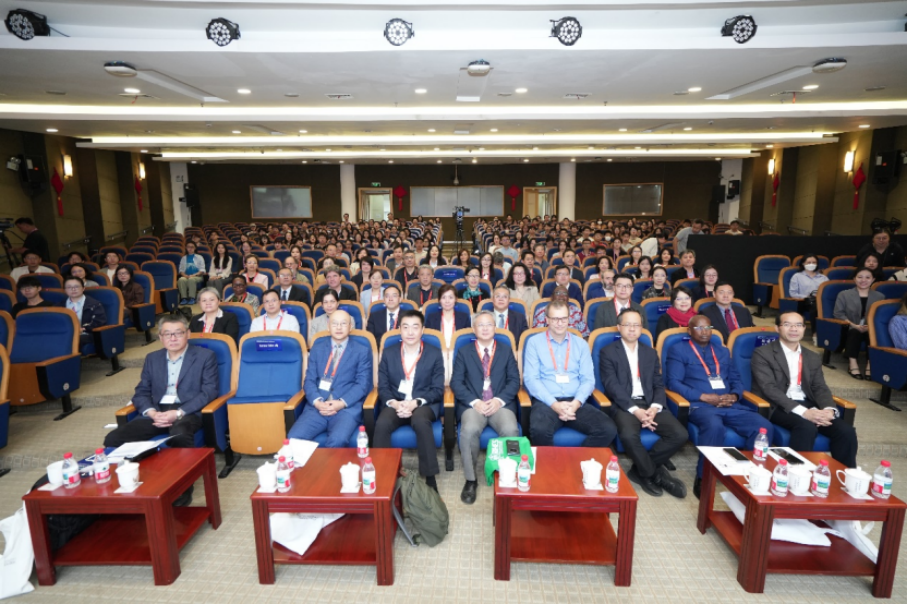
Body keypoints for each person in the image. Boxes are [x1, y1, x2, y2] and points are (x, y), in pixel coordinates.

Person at [103, 313, 219, 503]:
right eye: (167, 334)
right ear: (160, 337)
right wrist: (152, 413)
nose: (173, 338)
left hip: (187, 410)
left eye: (178, 333)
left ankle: (183, 490)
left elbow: (209, 392)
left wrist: (178, 413)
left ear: (188, 334)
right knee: (113, 439)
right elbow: (141, 392)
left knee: (179, 435)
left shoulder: (205, 356)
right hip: (156, 410)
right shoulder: (152, 358)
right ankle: (133, 484)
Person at [665, 314, 773, 499]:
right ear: (689, 331)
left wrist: (734, 395)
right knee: (715, 427)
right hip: (701, 406)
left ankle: (749, 475)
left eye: (708, 327)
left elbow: (736, 379)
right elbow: (674, 382)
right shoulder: (679, 350)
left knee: (764, 427)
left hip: (730, 405)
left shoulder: (722, 351)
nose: (704, 331)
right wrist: (703, 397)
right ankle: (704, 477)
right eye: (699, 328)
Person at [751, 312, 858, 469]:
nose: (794, 329)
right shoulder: (763, 353)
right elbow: (769, 388)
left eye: (798, 325)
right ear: (777, 328)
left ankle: (844, 475)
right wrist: (805, 413)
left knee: (846, 431)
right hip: (777, 405)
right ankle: (796, 474)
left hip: (808, 402)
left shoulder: (811, 356)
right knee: (806, 427)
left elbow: (819, 386)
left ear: (804, 329)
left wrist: (829, 410)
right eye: (787, 324)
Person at [601, 309, 688, 499]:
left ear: (642, 328)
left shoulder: (650, 353)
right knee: (628, 435)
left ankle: (639, 470)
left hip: (650, 403)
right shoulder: (608, 352)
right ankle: (654, 474)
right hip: (625, 405)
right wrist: (636, 411)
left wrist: (654, 408)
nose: (632, 329)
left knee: (680, 434)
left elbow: (658, 383)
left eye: (636, 325)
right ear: (619, 327)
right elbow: (612, 386)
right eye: (627, 325)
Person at [523, 301, 617, 448]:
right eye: (555, 319)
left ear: (569, 319)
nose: (559, 323)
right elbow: (531, 379)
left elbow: (588, 379)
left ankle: (579, 460)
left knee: (607, 429)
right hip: (546, 401)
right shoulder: (534, 343)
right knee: (540, 430)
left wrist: (576, 403)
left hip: (575, 401)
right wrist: (554, 404)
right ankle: (551, 462)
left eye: (563, 318)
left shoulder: (581, 344)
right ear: (547, 319)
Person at [450, 310, 521, 504]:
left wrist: (498, 400)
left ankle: (509, 473)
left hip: (500, 404)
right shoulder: (464, 351)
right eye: (480, 325)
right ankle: (471, 480)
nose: (485, 328)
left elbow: (514, 381)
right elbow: (456, 382)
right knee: (469, 430)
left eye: (489, 324)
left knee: (511, 429)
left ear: (495, 328)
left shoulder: (505, 350)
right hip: (474, 404)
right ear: (474, 329)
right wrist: (475, 402)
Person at [374, 310, 447, 491]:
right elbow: (383, 386)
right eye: (405, 327)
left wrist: (416, 403)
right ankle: (382, 474)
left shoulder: (434, 353)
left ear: (422, 330)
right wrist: (395, 403)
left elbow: (437, 389)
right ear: (400, 329)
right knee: (382, 423)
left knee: (420, 420)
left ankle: (429, 477)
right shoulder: (389, 353)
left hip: (424, 403)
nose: (410, 332)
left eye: (415, 327)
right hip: (397, 402)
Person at [286, 310, 372, 447]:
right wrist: (317, 402)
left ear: (350, 327)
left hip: (346, 409)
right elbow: (309, 380)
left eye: (343, 323)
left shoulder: (361, 350)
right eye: (335, 323)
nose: (339, 327)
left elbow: (362, 384)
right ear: (328, 326)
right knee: (293, 438)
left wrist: (341, 403)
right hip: (318, 408)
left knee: (337, 440)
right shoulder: (317, 349)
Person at [834, 268, 885, 380]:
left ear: (873, 280)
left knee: (873, 336)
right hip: (849, 327)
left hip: (870, 328)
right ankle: (852, 364)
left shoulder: (880, 296)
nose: (863, 280)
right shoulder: (844, 294)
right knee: (855, 332)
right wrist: (854, 325)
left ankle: (870, 365)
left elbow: (880, 316)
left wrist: (870, 327)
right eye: (860, 277)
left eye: (867, 277)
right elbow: (838, 314)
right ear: (854, 279)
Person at [789, 254, 829, 339]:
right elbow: (793, 293)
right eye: (809, 262)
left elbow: (827, 292)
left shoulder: (823, 278)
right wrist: (806, 296)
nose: (811, 264)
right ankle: (815, 334)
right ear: (803, 263)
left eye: (814, 262)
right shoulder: (797, 276)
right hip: (803, 302)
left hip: (820, 301)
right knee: (815, 306)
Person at [60, 276, 106, 349]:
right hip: (65, 333)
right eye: (69, 287)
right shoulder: (59, 306)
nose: (73, 289)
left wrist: (83, 329)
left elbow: (99, 322)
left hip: (86, 333)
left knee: (71, 341)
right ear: (64, 290)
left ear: (83, 288)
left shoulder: (95, 304)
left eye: (76, 286)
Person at [176, 241, 206, 305]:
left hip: (198, 276)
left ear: (195, 248)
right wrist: (185, 276)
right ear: (186, 248)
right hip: (186, 276)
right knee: (181, 279)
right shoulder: (183, 258)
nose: (190, 248)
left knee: (191, 279)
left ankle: (192, 298)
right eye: (188, 247)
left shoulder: (199, 257)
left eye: (192, 247)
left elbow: (202, 270)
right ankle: (184, 298)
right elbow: (181, 270)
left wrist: (193, 275)